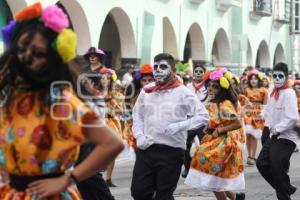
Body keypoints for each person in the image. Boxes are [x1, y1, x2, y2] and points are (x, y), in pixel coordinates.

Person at [0, 3, 123, 199]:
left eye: (38, 53)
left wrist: (68, 179)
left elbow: (112, 143)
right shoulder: (9, 95)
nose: (25, 57)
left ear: (51, 60)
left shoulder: (61, 100)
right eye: (21, 47)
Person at [130, 53, 209, 200]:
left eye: (163, 67)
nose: (158, 70)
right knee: (139, 192)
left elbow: (203, 116)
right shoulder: (146, 91)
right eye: (156, 67)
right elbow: (137, 116)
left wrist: (179, 126)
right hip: (147, 149)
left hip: (171, 150)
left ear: (173, 71)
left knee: (163, 195)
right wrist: (139, 136)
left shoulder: (183, 92)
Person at [185, 68, 245, 200]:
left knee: (211, 178)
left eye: (215, 87)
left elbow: (237, 123)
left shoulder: (225, 104)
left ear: (222, 89)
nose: (211, 89)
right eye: (209, 86)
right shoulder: (211, 103)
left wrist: (220, 130)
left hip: (222, 143)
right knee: (213, 179)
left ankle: (234, 197)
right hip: (210, 140)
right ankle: (235, 197)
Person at [257, 62, 299, 200]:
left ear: (286, 77)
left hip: (287, 137)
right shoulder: (272, 90)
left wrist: (277, 128)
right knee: (262, 163)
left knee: (276, 166)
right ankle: (286, 187)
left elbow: (292, 117)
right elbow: (269, 108)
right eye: (274, 76)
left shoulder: (289, 93)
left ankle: (284, 190)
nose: (277, 78)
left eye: (280, 76)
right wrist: (262, 114)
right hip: (273, 135)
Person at [97, 67, 124, 187]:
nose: (105, 80)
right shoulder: (94, 92)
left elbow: (120, 110)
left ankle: (108, 179)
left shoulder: (114, 94)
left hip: (111, 122)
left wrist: (116, 108)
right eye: (103, 77)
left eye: (108, 78)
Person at [182, 64, 208, 178]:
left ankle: (204, 168)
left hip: (203, 120)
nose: (198, 73)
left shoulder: (208, 86)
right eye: (196, 71)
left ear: (204, 73)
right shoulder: (187, 86)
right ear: (193, 73)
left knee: (205, 145)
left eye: (200, 71)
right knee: (186, 145)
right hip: (190, 119)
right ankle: (187, 167)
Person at [123, 64, 154, 156]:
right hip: (138, 126)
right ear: (139, 81)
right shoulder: (134, 93)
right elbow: (128, 109)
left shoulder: (160, 92)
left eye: (150, 80)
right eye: (144, 80)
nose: (147, 82)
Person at [243, 69, 268, 165]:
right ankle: (249, 155)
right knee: (248, 134)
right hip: (248, 113)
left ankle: (253, 155)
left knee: (254, 135)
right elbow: (243, 102)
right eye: (251, 79)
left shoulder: (264, 90)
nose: (253, 81)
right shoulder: (246, 90)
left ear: (259, 80)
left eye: (255, 79)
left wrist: (263, 113)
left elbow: (265, 104)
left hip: (258, 113)